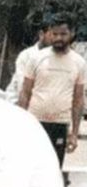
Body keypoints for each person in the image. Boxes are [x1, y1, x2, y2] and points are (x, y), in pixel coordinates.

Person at [19, 13, 86, 167]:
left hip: (60, 125)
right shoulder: (36, 58)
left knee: (54, 168)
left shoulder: (79, 63)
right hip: (34, 122)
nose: (58, 38)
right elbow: (25, 93)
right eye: (54, 34)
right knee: (30, 168)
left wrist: (74, 134)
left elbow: (78, 99)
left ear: (72, 33)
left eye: (63, 34)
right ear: (49, 33)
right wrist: (20, 124)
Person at [5, 24, 52, 104]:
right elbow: (23, 88)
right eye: (53, 34)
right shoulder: (26, 56)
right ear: (41, 34)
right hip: (18, 105)